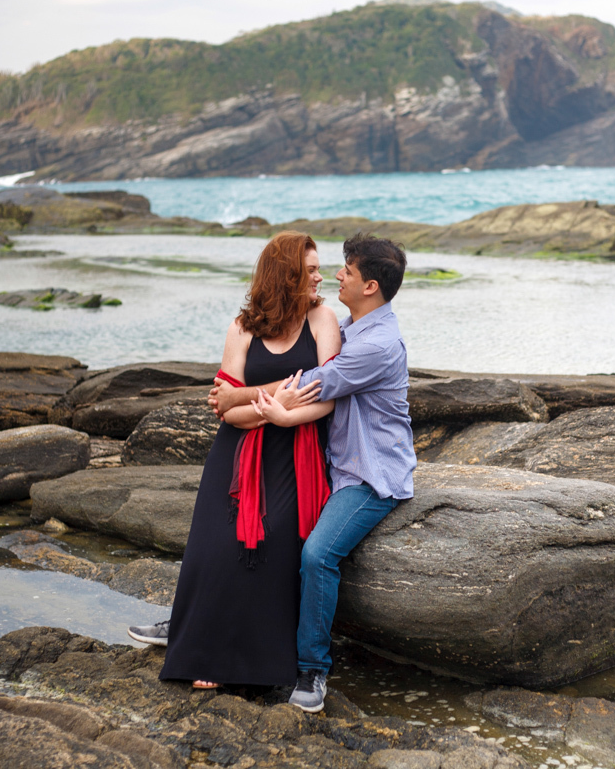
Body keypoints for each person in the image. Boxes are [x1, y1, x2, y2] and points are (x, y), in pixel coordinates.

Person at [127, 231, 341, 689]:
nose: (321, 277)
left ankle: (249, 661)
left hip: (294, 453)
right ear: (285, 276)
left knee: (273, 547)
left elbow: (324, 395)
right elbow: (225, 409)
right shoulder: (243, 326)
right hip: (240, 449)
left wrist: (271, 409)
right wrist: (274, 405)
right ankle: (203, 647)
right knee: (217, 549)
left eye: (320, 268)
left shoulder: (324, 319)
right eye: (311, 270)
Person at [213, 233, 416, 712]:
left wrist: (229, 396)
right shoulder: (354, 326)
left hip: (370, 477)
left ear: (369, 286)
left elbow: (306, 383)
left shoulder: (376, 345)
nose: (336, 276)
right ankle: (202, 625)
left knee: (317, 554)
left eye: (345, 269)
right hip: (336, 464)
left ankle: (312, 669)